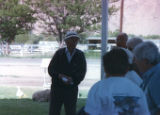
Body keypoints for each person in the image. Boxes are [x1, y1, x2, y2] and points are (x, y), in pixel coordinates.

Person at [84, 48, 150, 115]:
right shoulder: (137, 90)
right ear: (127, 68)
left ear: (105, 68)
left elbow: (90, 113)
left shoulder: (97, 88)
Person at [48, 31, 87, 115]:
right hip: (57, 89)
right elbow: (51, 69)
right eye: (72, 40)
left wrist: (72, 80)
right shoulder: (59, 53)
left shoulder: (80, 55)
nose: (74, 42)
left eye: (76, 40)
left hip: (71, 90)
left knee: (71, 111)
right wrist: (59, 76)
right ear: (66, 41)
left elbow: (82, 72)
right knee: (54, 111)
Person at [133, 41, 160, 115]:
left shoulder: (157, 78)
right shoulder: (151, 75)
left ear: (146, 61)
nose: (134, 62)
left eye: (136, 59)